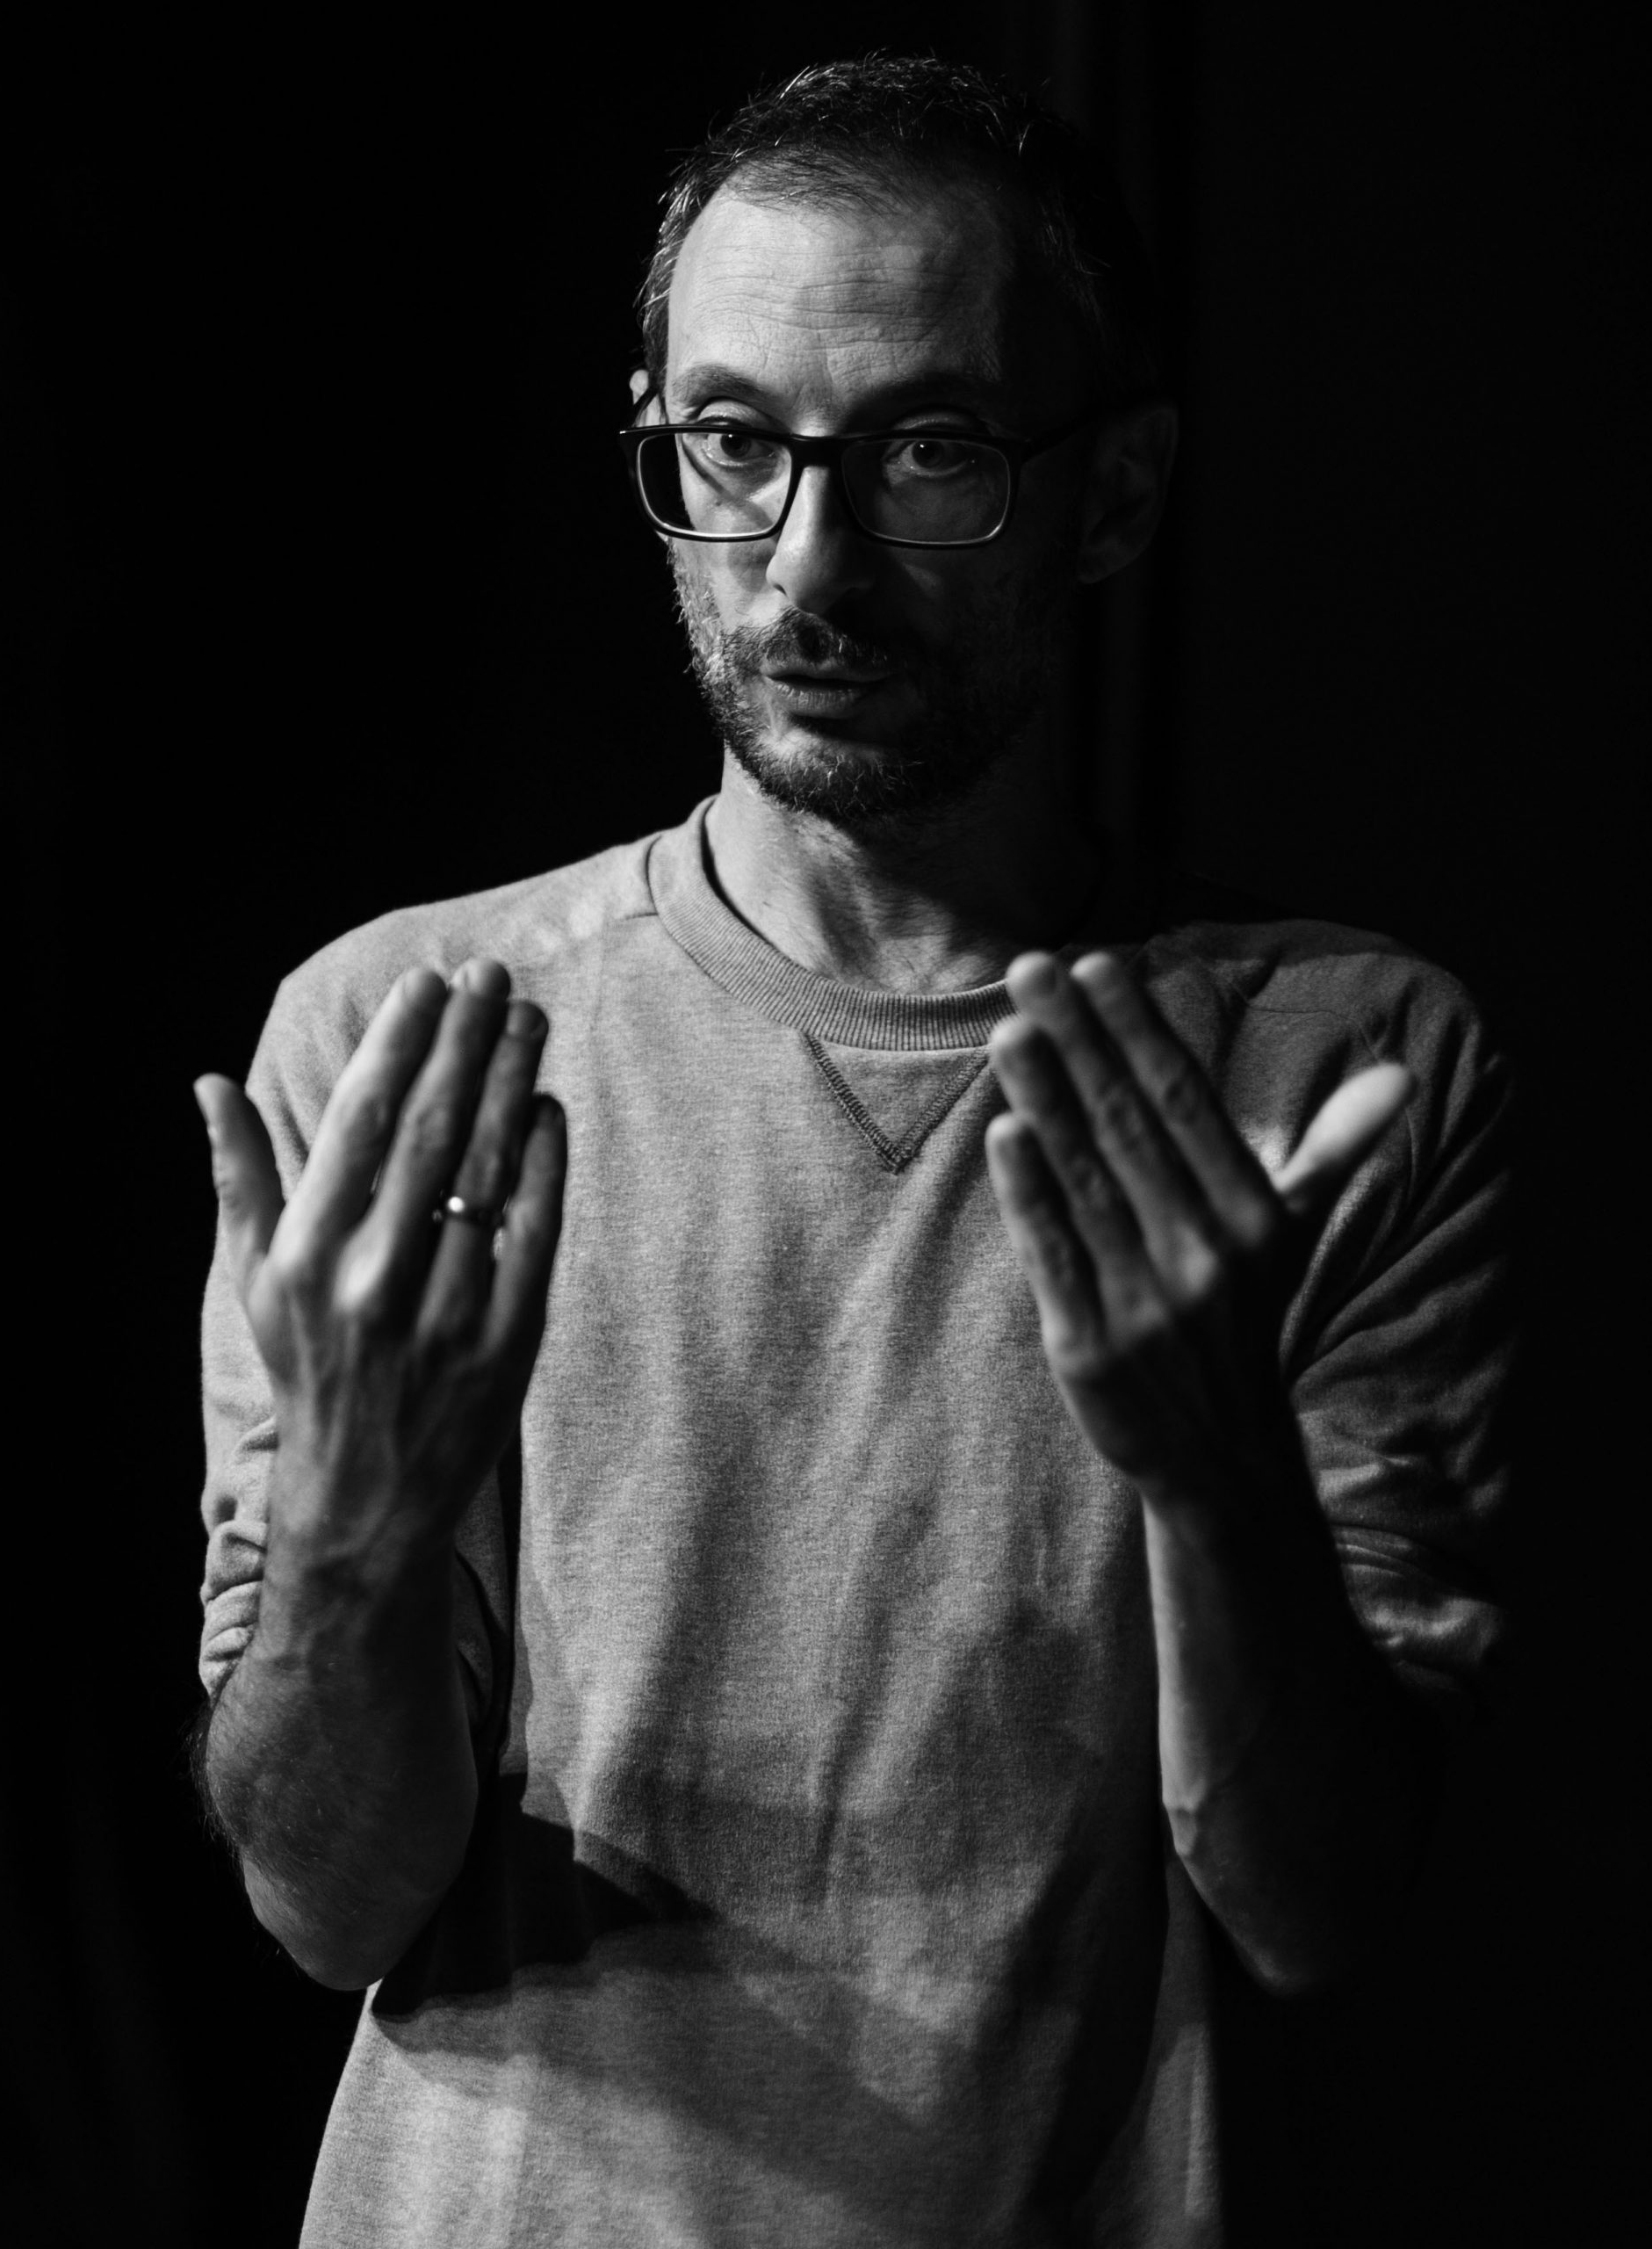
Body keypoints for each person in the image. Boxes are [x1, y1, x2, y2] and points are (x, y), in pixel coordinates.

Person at [190, 54, 1512, 2247]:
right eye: (731, 444)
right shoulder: (411, 1037)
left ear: (1114, 491)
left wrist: (1212, 1465)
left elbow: (1320, 1903)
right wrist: (347, 1533)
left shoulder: (1334, 1066)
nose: (806, 563)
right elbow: (328, 1900)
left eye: (927, 450)